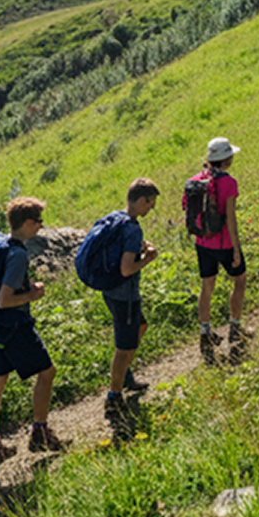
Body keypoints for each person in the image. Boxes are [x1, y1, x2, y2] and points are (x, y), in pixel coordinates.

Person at [0, 196, 66, 465]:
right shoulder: (17, 254)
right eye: (39, 221)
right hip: (13, 326)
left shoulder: (1, 244)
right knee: (47, 372)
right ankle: (39, 432)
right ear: (28, 223)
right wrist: (33, 295)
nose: (41, 226)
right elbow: (4, 300)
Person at [102, 178, 160, 426]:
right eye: (150, 203)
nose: (152, 209)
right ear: (139, 201)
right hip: (124, 293)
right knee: (123, 347)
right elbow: (127, 269)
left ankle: (125, 374)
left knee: (140, 326)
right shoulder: (132, 228)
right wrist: (148, 258)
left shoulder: (117, 218)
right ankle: (114, 396)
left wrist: (138, 248)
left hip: (111, 290)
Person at [190, 137, 246, 365]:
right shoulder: (229, 183)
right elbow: (230, 218)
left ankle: (205, 331)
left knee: (207, 286)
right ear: (227, 159)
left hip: (202, 243)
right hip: (224, 243)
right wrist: (236, 249)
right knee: (239, 280)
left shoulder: (194, 181)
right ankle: (235, 326)